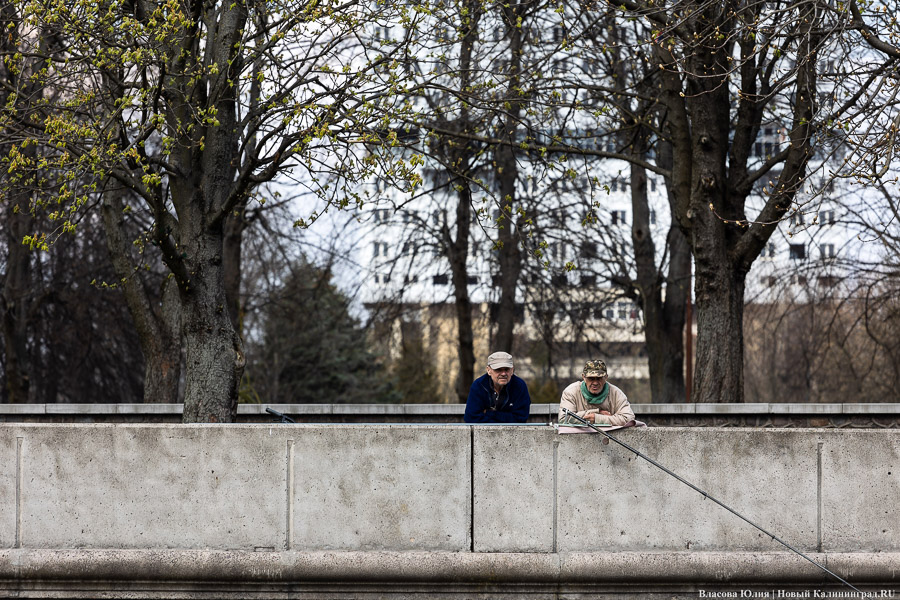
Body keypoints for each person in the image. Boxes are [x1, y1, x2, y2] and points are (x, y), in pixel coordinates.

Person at [558, 359, 634, 426]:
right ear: (583, 377)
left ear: (606, 377)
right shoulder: (571, 392)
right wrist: (597, 412)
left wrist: (597, 419)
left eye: (599, 378)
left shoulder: (616, 393)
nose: (595, 383)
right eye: (591, 378)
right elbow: (563, 419)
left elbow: (629, 418)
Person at [464, 351, 531, 423]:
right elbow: (470, 418)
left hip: (513, 433)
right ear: (489, 370)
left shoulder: (520, 386)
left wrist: (488, 413)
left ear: (512, 370)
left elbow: (520, 418)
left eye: (506, 369)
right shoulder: (479, 386)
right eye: (498, 369)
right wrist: (505, 418)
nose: (503, 373)